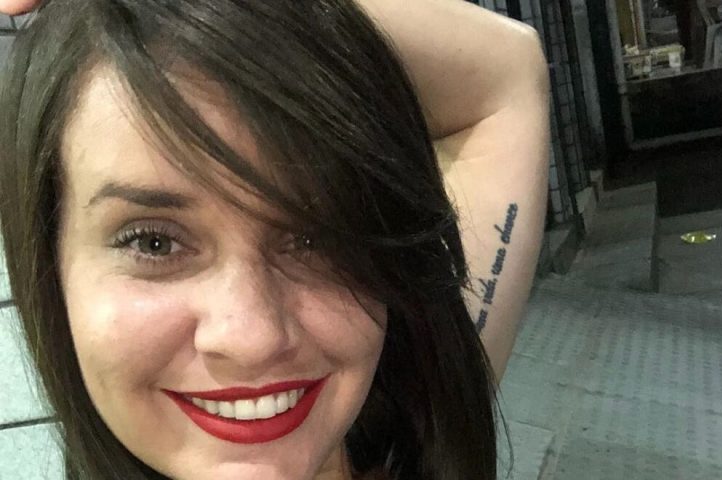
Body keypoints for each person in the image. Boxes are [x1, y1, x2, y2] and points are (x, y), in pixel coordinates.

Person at [0, 0, 550, 479]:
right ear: (51, 265)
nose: (252, 338)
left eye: (316, 239)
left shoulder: (422, 426)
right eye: (154, 243)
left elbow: (509, 67)